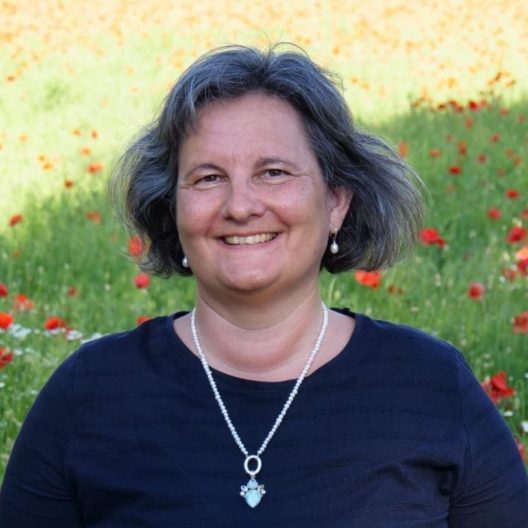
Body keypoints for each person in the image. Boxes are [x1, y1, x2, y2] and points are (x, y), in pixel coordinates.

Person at [1, 44, 527, 527]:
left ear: (336, 202)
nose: (240, 206)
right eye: (208, 178)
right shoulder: (90, 396)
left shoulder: (431, 387)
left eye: (273, 172)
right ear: (172, 209)